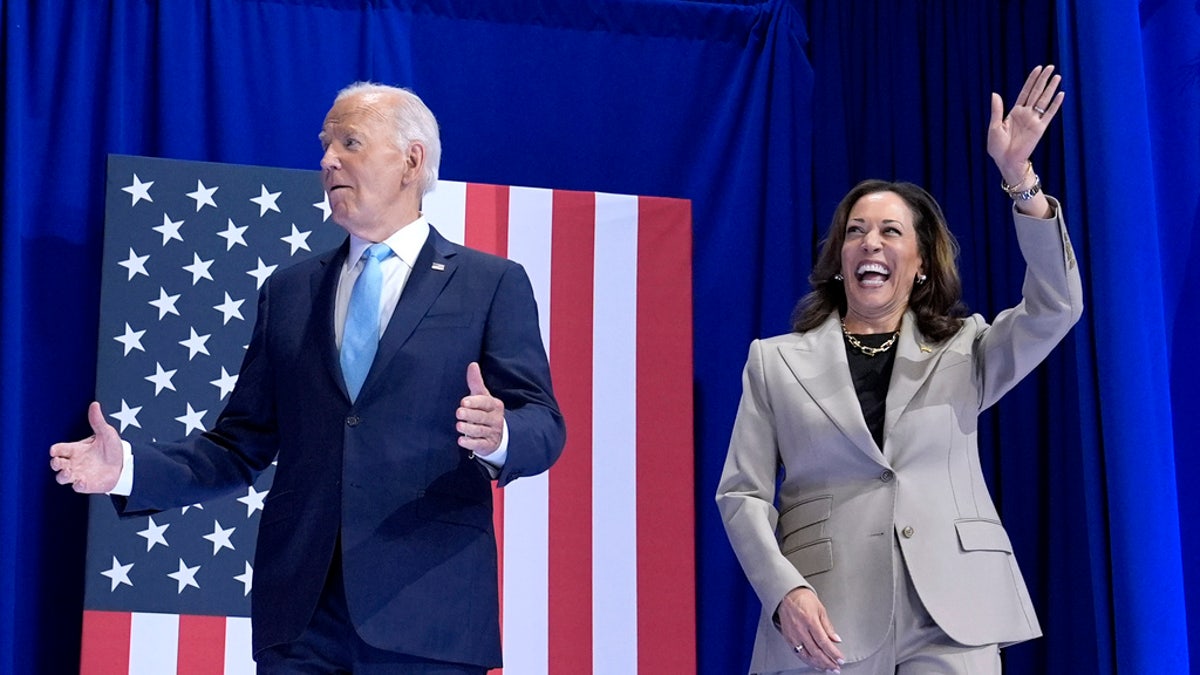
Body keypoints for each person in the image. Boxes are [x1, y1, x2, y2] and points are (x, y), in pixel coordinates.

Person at [50, 83, 565, 673]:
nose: (327, 160)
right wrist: (129, 469)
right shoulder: (289, 290)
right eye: (324, 145)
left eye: (350, 142)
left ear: (412, 161)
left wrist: (499, 436)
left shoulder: (489, 282)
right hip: (300, 620)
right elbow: (237, 445)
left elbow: (543, 424)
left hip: (428, 614)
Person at [715, 65, 1082, 674]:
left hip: (952, 614)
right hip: (826, 618)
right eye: (855, 232)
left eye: (890, 231)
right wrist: (784, 590)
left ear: (920, 265)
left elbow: (1056, 306)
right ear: (838, 261)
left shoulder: (967, 349)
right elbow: (743, 494)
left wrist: (1022, 181)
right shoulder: (774, 361)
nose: (870, 243)